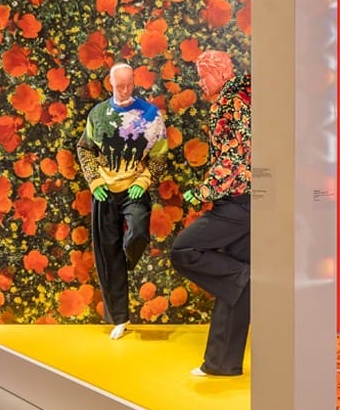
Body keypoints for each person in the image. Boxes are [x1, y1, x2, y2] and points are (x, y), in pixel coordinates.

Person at [171, 50, 252, 377]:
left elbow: (236, 156)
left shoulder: (231, 103)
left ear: (219, 74)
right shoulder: (243, 98)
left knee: (183, 250)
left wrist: (203, 191)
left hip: (238, 201)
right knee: (235, 283)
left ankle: (244, 278)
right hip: (250, 200)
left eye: (203, 75)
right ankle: (221, 363)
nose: (200, 82)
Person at [77, 62, 167, 340]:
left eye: (129, 84)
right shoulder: (99, 114)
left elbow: (161, 153)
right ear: (110, 83)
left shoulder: (151, 114)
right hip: (105, 189)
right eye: (119, 85)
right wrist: (94, 180)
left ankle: (127, 260)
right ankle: (119, 317)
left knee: (138, 232)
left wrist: (143, 181)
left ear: (135, 81)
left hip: (134, 187)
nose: (125, 89)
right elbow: (84, 148)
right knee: (107, 251)